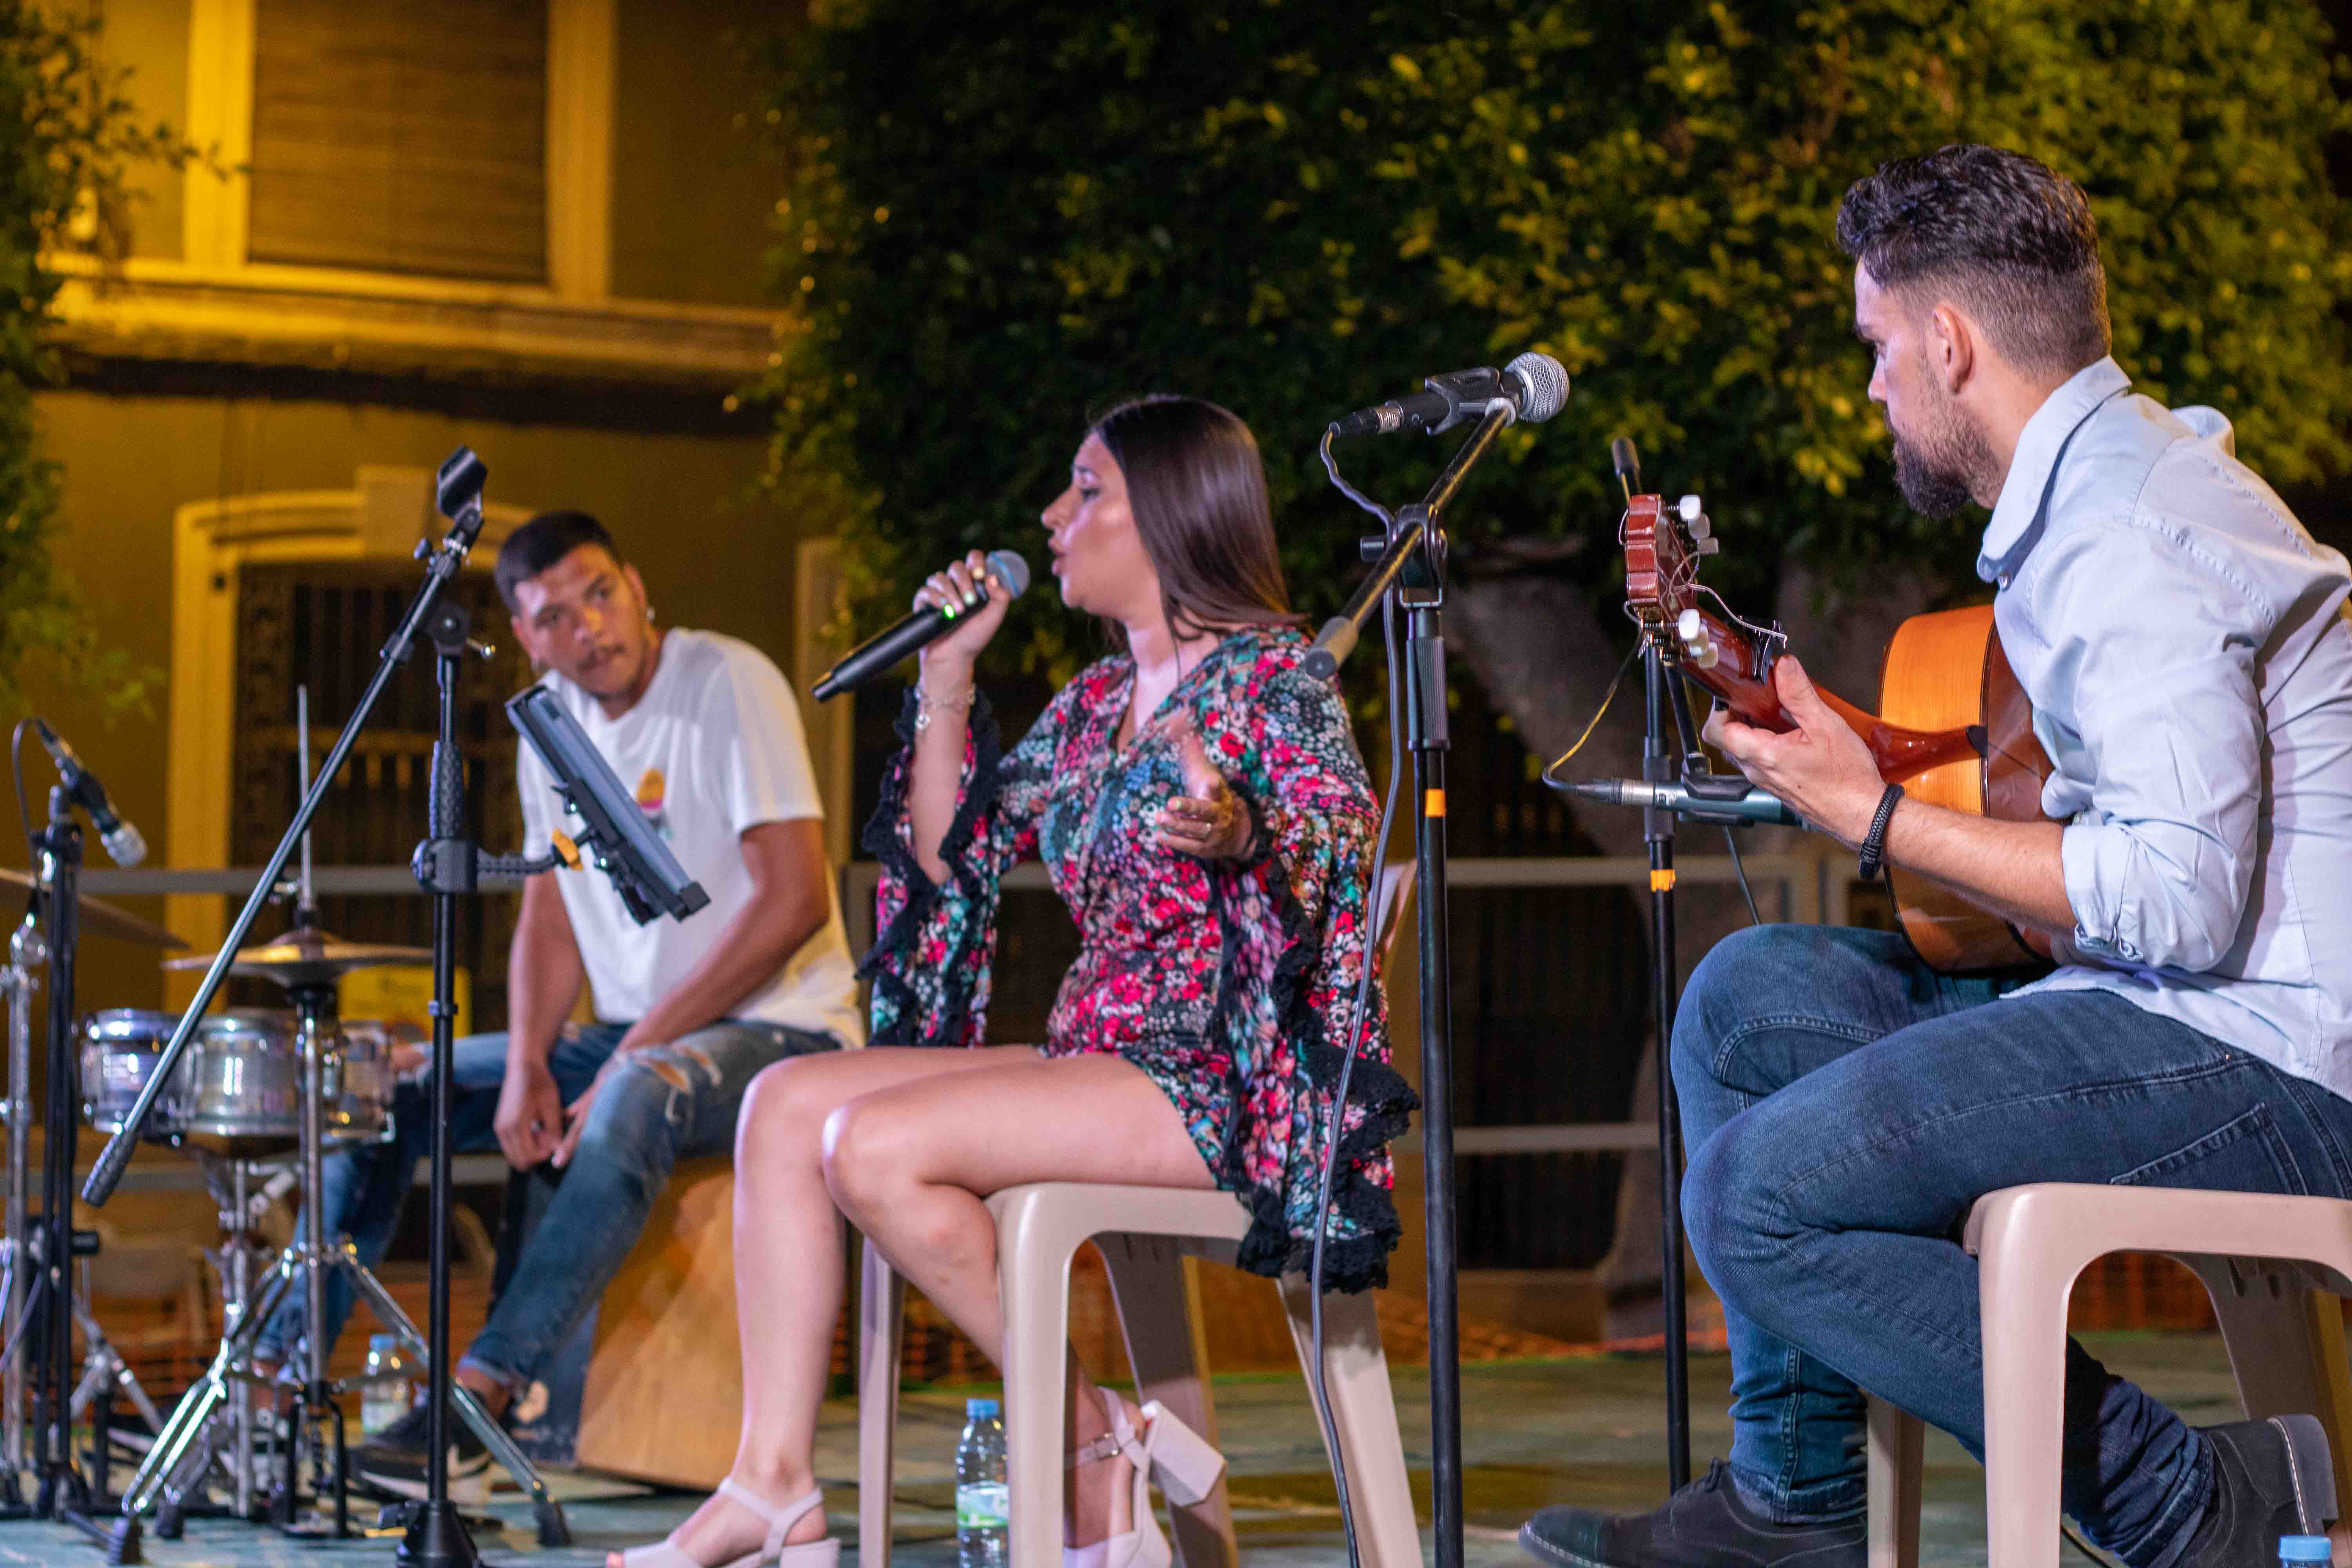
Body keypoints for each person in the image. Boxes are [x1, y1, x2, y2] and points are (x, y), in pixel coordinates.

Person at [1519, 144, 2352, 1568]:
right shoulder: (2102, 489)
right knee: (1749, 1004)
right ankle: (1796, 1503)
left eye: (1878, 346)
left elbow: (2178, 900)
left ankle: (2195, 1504)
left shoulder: (2129, 531)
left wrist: (1878, 818)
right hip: (2165, 1006)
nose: (1873, 387)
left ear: (1950, 343)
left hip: (2275, 1061)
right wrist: (1852, 757)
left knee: (1757, 1198)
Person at [610, 395, 1416, 1568]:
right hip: (1097, 1056)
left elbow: (1336, 835)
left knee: (871, 1149)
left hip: (1221, 1079)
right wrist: (946, 671)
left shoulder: (1273, 678)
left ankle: (1090, 1445)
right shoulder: (1094, 707)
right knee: (782, 1107)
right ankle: (774, 1480)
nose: (1050, 515)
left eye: (1086, 491)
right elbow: (950, 859)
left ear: (1171, 514)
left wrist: (1241, 827)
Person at [255, 511, 864, 1500]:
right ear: (526, 636)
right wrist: (530, 1060)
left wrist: (635, 1046)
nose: (589, 627)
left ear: (637, 585)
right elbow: (551, 909)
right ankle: (278, 1388)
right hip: (633, 1034)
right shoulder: (550, 728)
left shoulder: (726, 680)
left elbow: (793, 899)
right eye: (556, 616)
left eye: (601, 594)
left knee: (639, 1087)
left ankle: (480, 1402)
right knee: (384, 1090)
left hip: (783, 1027)